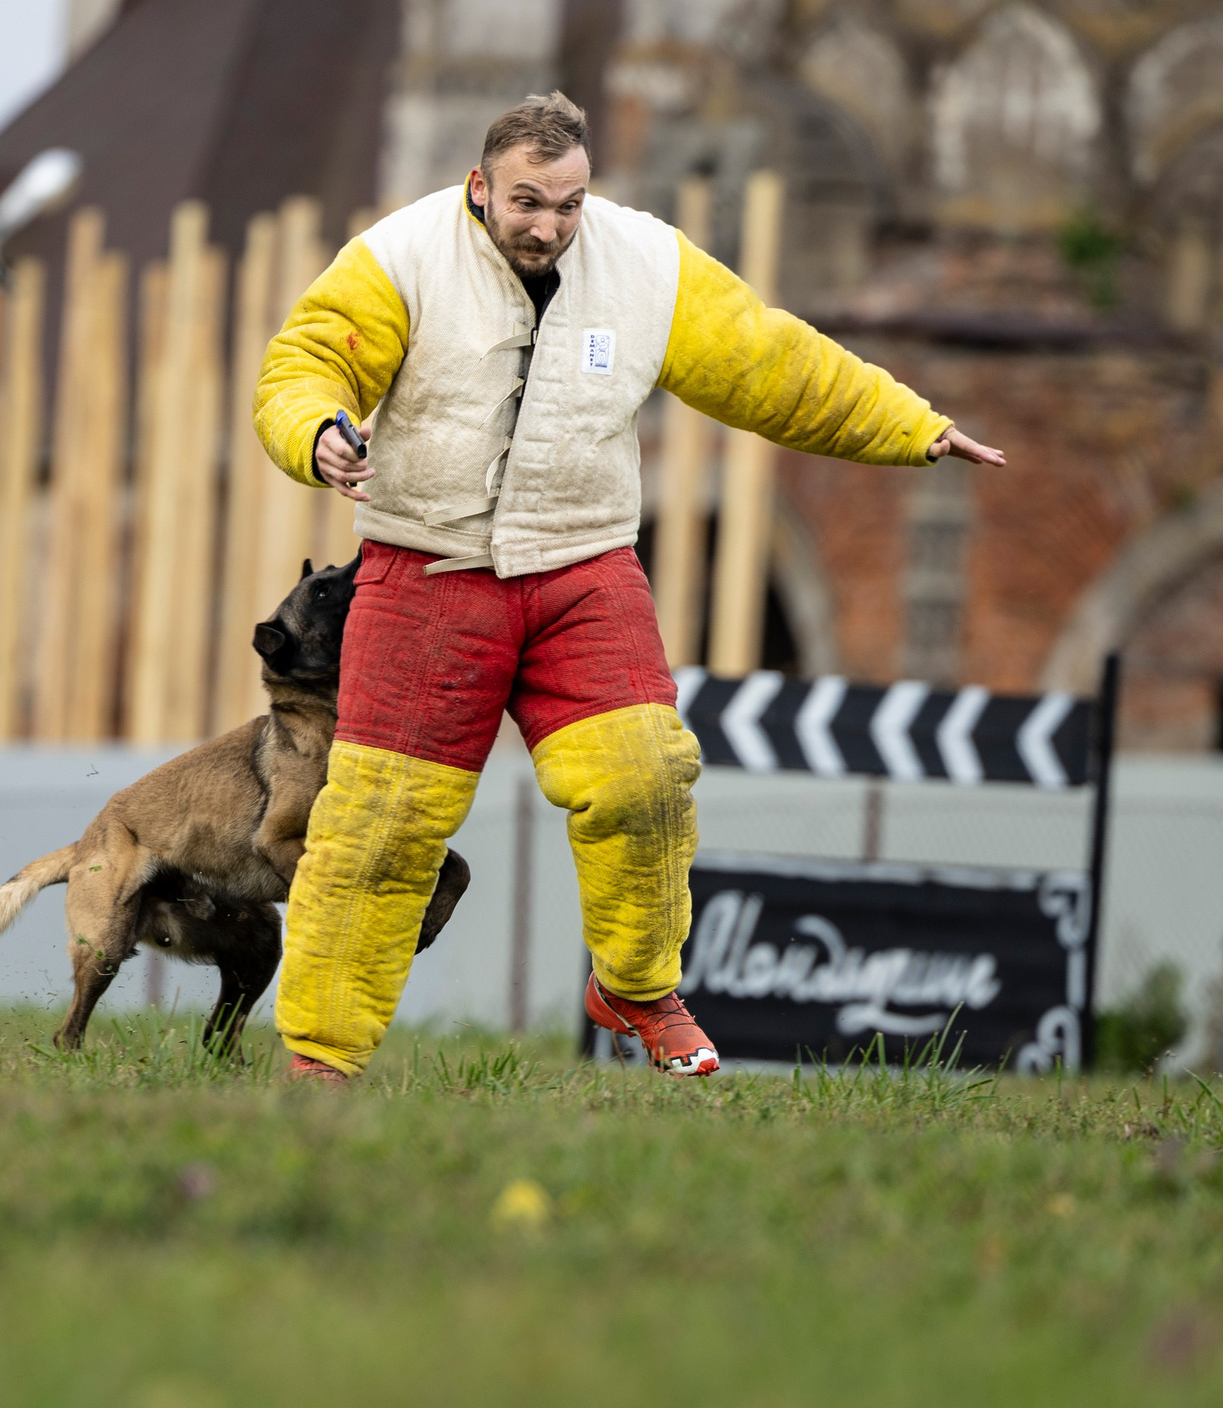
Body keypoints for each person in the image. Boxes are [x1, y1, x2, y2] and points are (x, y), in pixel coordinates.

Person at [254, 92, 1002, 1084]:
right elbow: (306, 361)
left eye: (567, 204)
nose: (548, 226)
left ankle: (637, 988)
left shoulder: (648, 262)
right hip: (427, 571)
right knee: (380, 818)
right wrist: (317, 432)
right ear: (480, 185)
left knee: (646, 777)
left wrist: (909, 426)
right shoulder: (398, 258)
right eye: (526, 202)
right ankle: (322, 1055)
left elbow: (768, 362)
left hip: (582, 569)